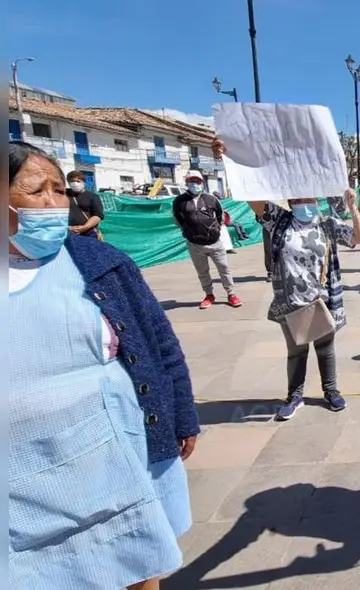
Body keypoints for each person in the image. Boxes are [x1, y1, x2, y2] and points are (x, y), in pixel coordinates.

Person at [8, 141, 199, 590]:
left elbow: (159, 345)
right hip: (21, 480)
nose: (56, 204)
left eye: (61, 190)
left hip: (113, 454)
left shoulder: (101, 263)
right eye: (38, 191)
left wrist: (181, 413)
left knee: (135, 560)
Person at [212, 140, 360, 421]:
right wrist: (229, 160)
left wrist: (352, 207)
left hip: (322, 300)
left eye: (306, 199)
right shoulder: (279, 220)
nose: (301, 203)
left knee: (326, 350)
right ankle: (294, 396)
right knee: (296, 352)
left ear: (315, 200)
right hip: (290, 302)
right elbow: (250, 195)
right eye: (295, 199)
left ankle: (331, 392)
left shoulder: (327, 224)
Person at [172, 170, 242, 309]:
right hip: (195, 245)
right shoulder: (179, 201)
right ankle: (209, 295)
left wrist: (215, 230)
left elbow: (221, 216)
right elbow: (177, 219)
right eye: (191, 181)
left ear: (202, 183)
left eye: (197, 181)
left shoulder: (211, 199)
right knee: (202, 272)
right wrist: (189, 232)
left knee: (224, 269)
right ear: (186, 183)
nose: (195, 184)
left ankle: (231, 294)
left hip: (215, 243)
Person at [66, 170, 105, 239]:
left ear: (83, 182)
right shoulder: (63, 194)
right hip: (68, 231)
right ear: (68, 182)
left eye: (78, 181)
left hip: (88, 232)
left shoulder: (93, 196)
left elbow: (97, 215)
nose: (75, 183)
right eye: (72, 181)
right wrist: (69, 228)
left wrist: (84, 227)